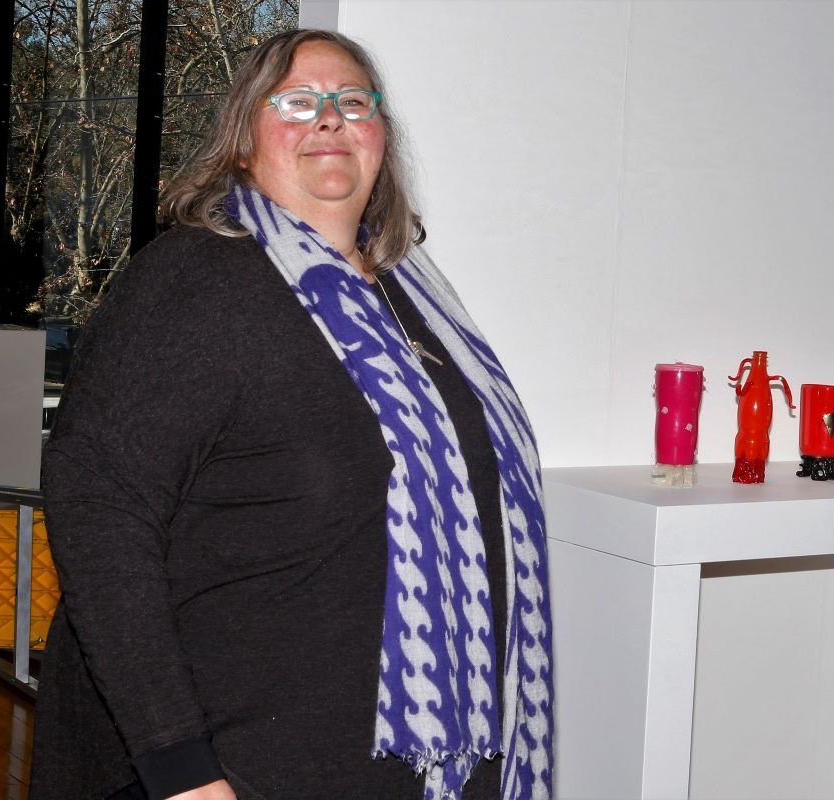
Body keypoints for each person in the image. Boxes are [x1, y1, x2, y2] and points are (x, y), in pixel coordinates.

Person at [29, 28, 553, 800]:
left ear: (381, 136)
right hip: (234, 767)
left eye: (351, 102)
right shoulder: (194, 281)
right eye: (298, 103)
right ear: (243, 141)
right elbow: (100, 512)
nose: (330, 120)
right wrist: (180, 766)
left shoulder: (419, 299)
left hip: (411, 762)